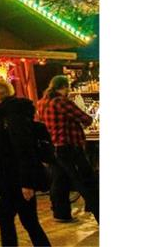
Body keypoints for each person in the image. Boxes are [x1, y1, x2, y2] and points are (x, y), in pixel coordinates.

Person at [0, 80, 51, 246]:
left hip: (15, 177)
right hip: (9, 176)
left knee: (7, 217)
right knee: (27, 219)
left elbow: (23, 148)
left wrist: (26, 182)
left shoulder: (10, 115)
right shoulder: (3, 113)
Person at [37, 75, 98, 224]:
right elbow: (86, 119)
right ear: (64, 87)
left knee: (59, 181)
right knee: (84, 181)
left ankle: (61, 213)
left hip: (53, 146)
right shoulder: (61, 102)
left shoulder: (42, 102)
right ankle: (100, 213)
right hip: (69, 145)